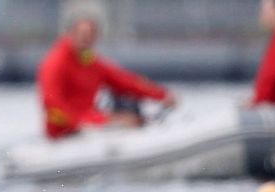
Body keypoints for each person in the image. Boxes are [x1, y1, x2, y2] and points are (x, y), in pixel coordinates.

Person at [37, 15, 176, 139]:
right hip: (64, 132)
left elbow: (125, 81)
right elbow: (51, 105)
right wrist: (95, 122)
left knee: (131, 118)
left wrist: (161, 95)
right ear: (70, 34)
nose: (86, 38)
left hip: (87, 124)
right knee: (125, 121)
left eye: (90, 34)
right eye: (81, 33)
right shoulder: (55, 63)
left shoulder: (90, 62)